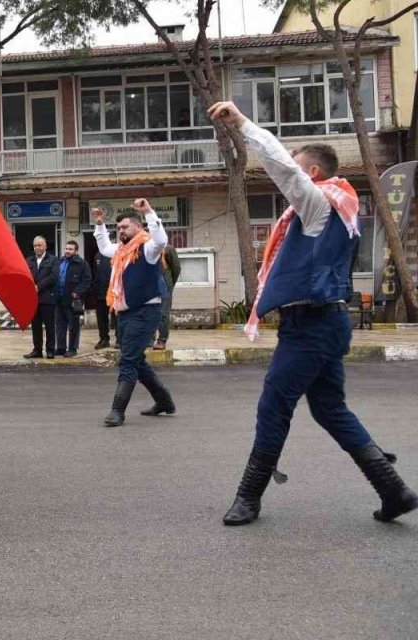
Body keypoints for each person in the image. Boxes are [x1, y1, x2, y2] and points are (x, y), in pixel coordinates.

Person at [208, 100, 417, 526]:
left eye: (300, 168)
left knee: (273, 406)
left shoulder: (320, 205)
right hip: (324, 322)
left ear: (313, 174)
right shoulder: (334, 207)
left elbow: (282, 167)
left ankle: (249, 497)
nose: (292, 174)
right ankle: (393, 489)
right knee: (329, 409)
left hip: (314, 325)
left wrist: (244, 124)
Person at [93, 200, 175, 427]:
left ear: (138, 227)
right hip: (126, 313)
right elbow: (103, 248)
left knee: (128, 361)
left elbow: (162, 240)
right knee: (136, 361)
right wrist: (100, 225)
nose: (120, 231)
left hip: (146, 311)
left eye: (125, 227)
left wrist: (148, 211)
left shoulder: (148, 247)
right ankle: (165, 402)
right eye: (118, 228)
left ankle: (117, 411)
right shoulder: (121, 251)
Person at [53, 240, 92, 358]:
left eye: (70, 249)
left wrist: (77, 292)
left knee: (73, 326)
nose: (67, 251)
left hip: (73, 300)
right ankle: (61, 348)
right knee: (60, 325)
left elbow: (87, 280)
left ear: (76, 251)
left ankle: (72, 348)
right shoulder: (59, 261)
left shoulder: (82, 264)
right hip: (59, 299)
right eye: (66, 249)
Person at [24, 236, 58, 359]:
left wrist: (38, 286)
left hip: (47, 298)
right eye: (35, 246)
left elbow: (54, 277)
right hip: (33, 300)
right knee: (36, 327)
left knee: (49, 326)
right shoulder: (29, 260)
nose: (37, 248)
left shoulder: (53, 260)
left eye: (39, 245)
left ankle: (50, 351)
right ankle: (37, 350)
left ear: (45, 246)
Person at [153, 243, 180, 350]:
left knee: (163, 313)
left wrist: (170, 283)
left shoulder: (168, 248)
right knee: (150, 312)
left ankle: (162, 340)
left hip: (165, 284)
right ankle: (150, 339)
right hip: (150, 286)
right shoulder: (146, 247)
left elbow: (176, 268)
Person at [90, 249, 113, 350]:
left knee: (117, 317)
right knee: (101, 318)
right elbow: (95, 273)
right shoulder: (97, 255)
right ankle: (104, 339)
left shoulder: (116, 252)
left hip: (114, 292)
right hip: (100, 292)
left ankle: (119, 340)